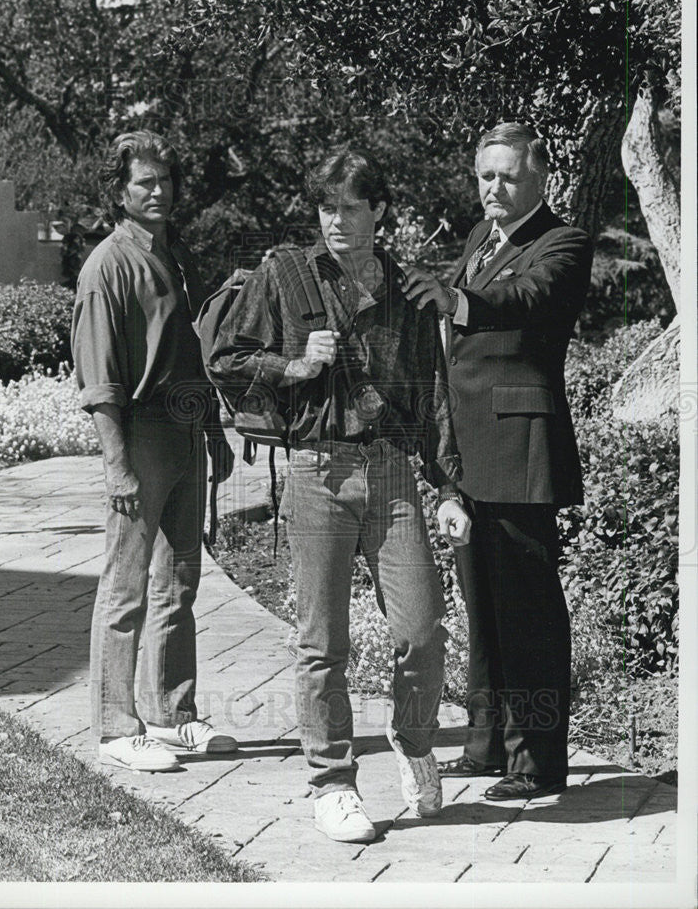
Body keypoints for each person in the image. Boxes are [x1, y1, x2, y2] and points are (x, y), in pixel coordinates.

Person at [205, 147, 468, 842]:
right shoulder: (286, 275)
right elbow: (226, 361)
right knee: (323, 644)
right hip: (318, 472)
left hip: (390, 472)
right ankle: (332, 781)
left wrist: (445, 487)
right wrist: (293, 365)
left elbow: (433, 395)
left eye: (353, 206)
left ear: (379, 211)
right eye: (328, 207)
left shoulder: (409, 294)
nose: (339, 221)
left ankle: (412, 741)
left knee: (423, 629)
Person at [402, 122, 594, 801]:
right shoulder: (481, 238)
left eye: (508, 175)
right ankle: (486, 745)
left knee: (528, 611)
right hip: (469, 453)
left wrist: (456, 300)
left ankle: (536, 762)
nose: (494, 188)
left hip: (519, 446)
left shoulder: (562, 243)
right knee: (483, 605)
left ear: (540, 177)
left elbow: (525, 300)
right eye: (485, 175)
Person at [71, 130, 237, 773]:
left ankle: (172, 714)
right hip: (138, 436)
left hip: (186, 432)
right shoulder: (106, 267)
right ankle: (116, 726)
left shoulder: (178, 255)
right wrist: (117, 464)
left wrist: (214, 431)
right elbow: (100, 381)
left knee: (178, 583)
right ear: (120, 191)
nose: (159, 190)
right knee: (126, 585)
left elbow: (191, 352)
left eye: (165, 179)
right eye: (144, 182)